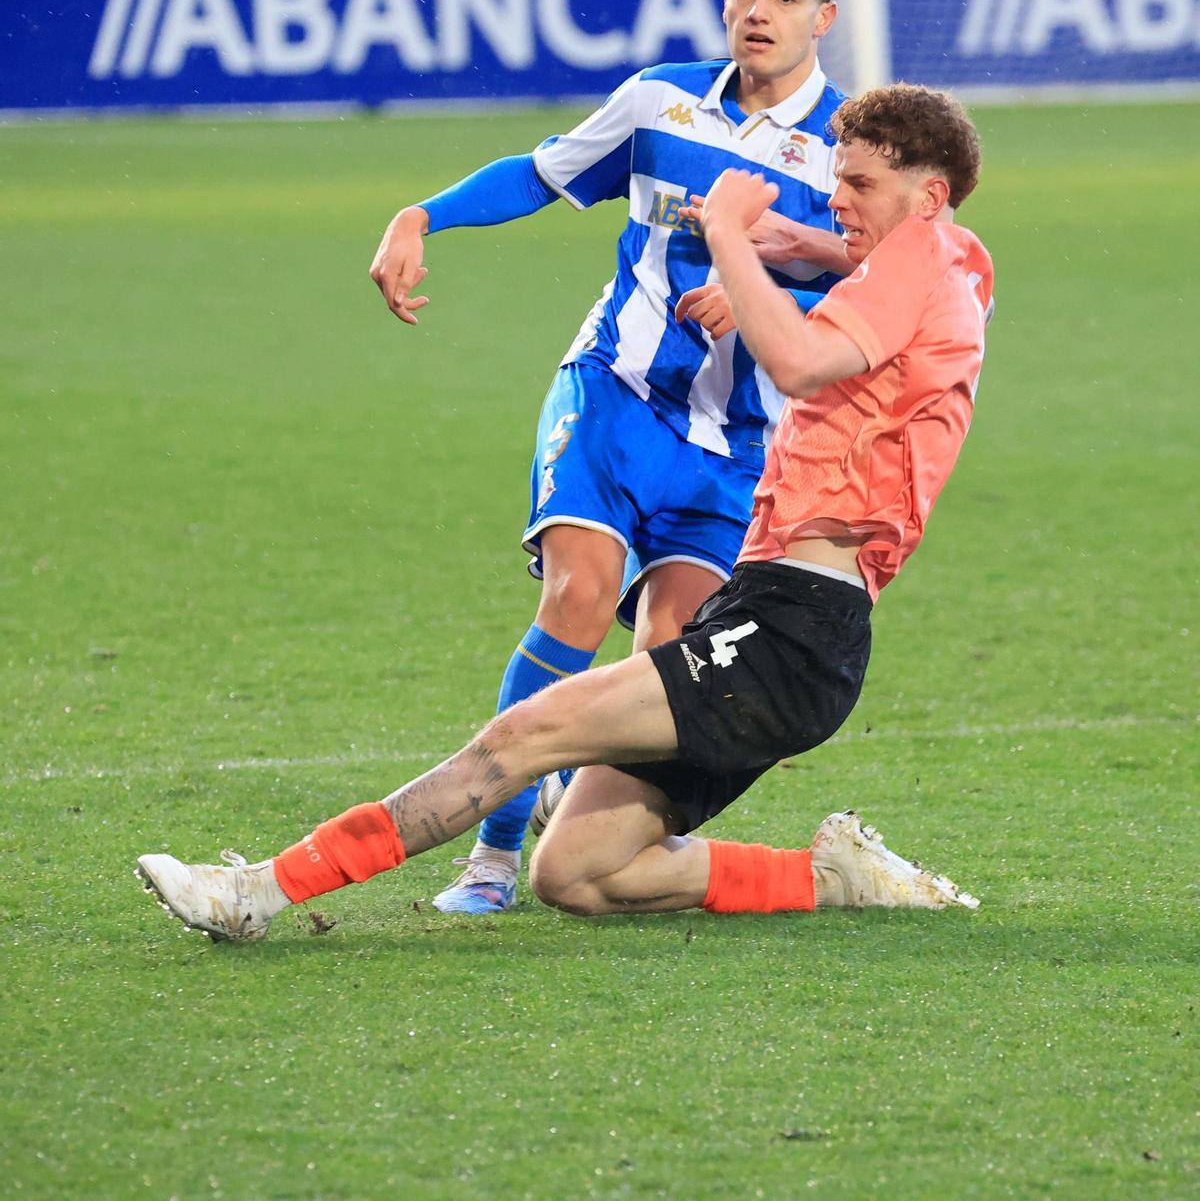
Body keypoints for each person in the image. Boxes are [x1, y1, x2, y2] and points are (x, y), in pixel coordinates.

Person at [137, 82, 992, 939]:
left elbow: (801, 361)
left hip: (792, 632)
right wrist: (808, 245)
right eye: (837, 179)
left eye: (860, 185)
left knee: (528, 731)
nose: (837, 196)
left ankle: (257, 892)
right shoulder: (946, 264)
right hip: (781, 618)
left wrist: (730, 235)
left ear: (927, 197)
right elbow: (881, 301)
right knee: (577, 872)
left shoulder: (918, 256)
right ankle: (832, 878)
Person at [368, 0, 854, 915]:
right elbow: (539, 174)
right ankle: (492, 858)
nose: (756, 13)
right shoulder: (658, 97)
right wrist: (422, 215)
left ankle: (581, 827)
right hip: (614, 395)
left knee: (663, 671)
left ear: (825, 17)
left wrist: (775, 300)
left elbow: (877, 286)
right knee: (578, 596)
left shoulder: (846, 147)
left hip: (736, 449)